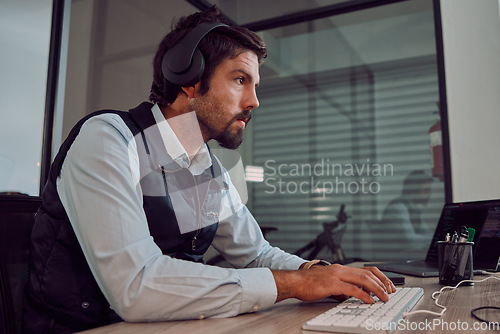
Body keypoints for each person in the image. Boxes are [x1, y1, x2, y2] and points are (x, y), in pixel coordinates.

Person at [24, 6, 395, 333]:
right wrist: (293, 285)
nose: (254, 101)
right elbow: (135, 288)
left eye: (254, 85)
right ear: (189, 78)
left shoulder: (206, 166)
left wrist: (317, 273)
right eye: (239, 80)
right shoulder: (108, 140)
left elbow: (255, 254)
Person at [377, 170, 434, 260]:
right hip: (393, 260)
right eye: (426, 190)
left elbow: (426, 233)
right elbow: (410, 241)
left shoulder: (413, 209)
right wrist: (435, 240)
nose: (430, 194)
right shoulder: (398, 208)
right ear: (414, 191)